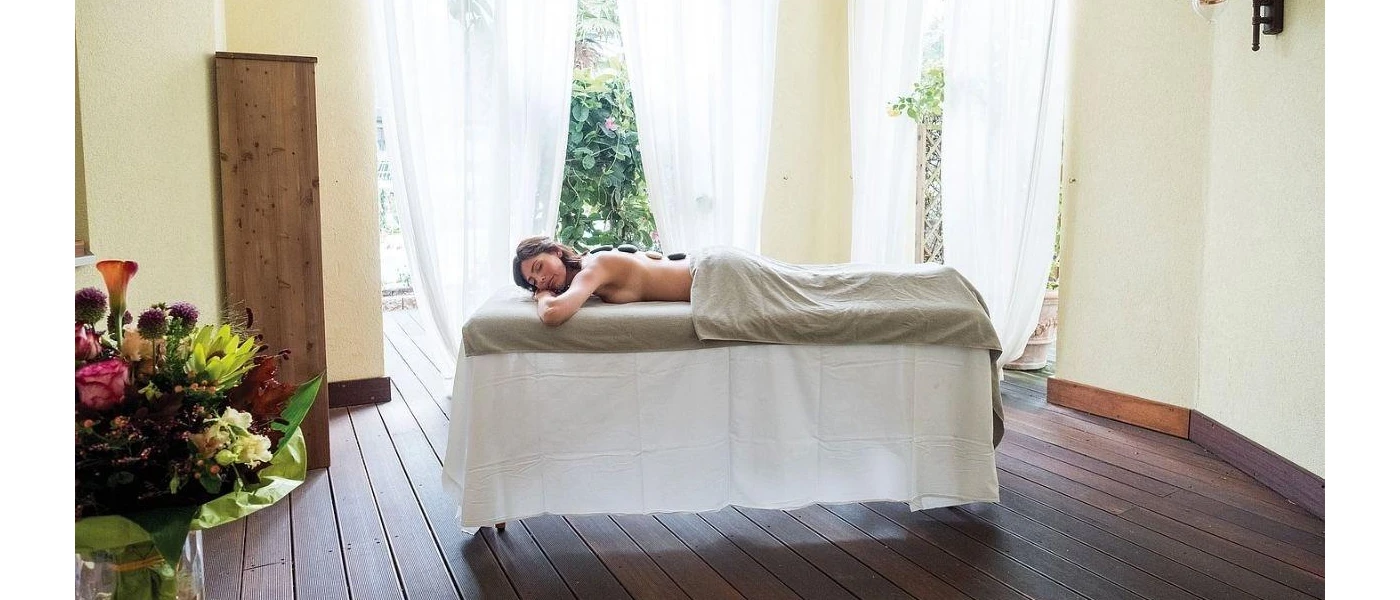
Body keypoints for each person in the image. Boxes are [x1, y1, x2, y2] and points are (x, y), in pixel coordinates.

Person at [512, 236, 692, 326]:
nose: (541, 280)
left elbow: (552, 313)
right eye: (534, 282)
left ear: (555, 251)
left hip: (706, 275)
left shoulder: (593, 266)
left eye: (539, 267)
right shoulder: (589, 263)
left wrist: (543, 296)